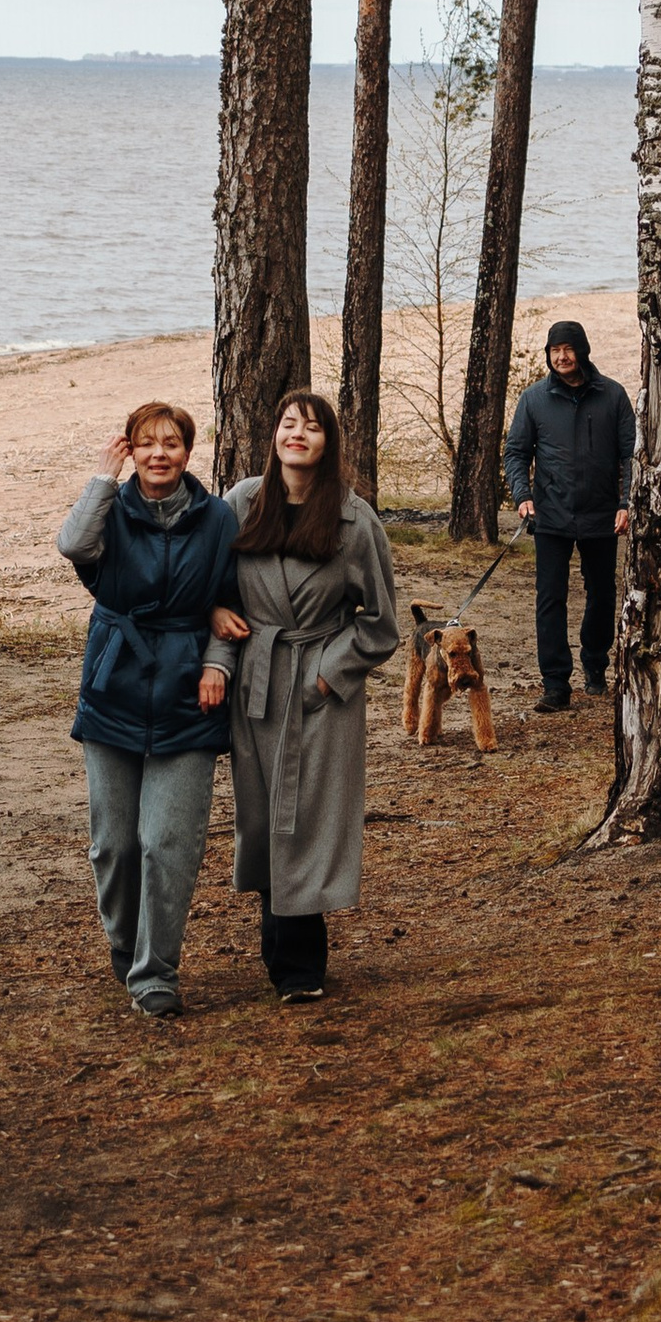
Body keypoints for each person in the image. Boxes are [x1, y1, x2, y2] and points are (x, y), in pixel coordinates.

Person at [60, 401, 241, 1019]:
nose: (159, 454)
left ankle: (156, 970)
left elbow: (232, 599)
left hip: (189, 691)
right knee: (112, 845)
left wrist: (218, 661)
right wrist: (100, 480)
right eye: (146, 443)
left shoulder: (217, 519)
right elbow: (72, 545)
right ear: (130, 450)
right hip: (114, 683)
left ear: (190, 453)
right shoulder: (111, 509)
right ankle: (125, 948)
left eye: (172, 443)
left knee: (168, 841)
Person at [220, 390, 400, 1002]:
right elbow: (212, 581)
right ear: (274, 434)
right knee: (266, 817)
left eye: (313, 427)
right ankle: (281, 949)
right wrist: (219, 611)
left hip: (322, 692)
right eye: (288, 422)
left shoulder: (355, 521)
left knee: (309, 822)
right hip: (259, 684)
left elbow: (380, 625)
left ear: (328, 444)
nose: (298, 434)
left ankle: (300, 966)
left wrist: (327, 675)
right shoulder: (243, 503)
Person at [502, 318, 636, 710]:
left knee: (601, 595)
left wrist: (626, 502)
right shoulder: (534, 399)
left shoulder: (612, 396)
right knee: (550, 599)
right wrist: (523, 496)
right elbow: (515, 453)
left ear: (582, 351)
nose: (561, 357)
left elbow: (630, 455)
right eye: (554, 350)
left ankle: (595, 665)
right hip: (550, 515)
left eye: (567, 349)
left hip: (601, 515)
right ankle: (556, 684)